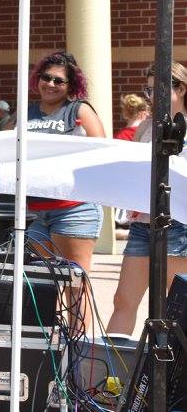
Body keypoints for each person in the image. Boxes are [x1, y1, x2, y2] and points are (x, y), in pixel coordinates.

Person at [106, 63, 187, 336]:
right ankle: (113, 374)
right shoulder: (146, 127)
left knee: (178, 305)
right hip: (143, 223)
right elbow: (134, 169)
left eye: (160, 89)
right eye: (149, 90)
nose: (153, 96)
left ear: (182, 89)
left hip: (179, 223)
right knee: (123, 301)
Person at [23, 51, 105, 293]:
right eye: (46, 77)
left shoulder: (78, 110)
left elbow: (102, 150)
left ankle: (78, 333)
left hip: (74, 209)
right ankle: (52, 333)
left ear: (71, 85)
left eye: (59, 80)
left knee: (75, 288)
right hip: (38, 213)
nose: (50, 84)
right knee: (42, 287)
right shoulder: (26, 113)